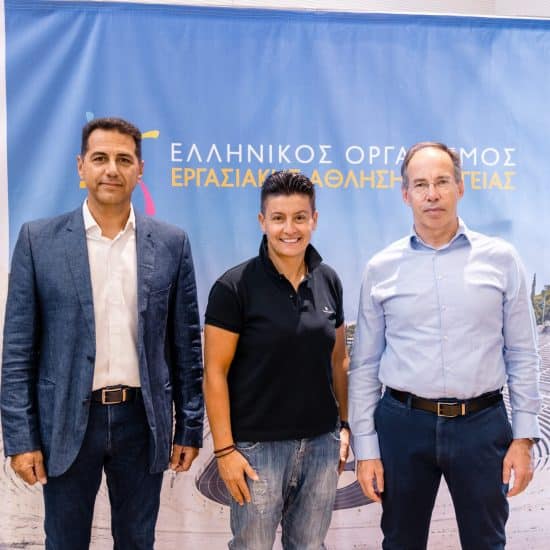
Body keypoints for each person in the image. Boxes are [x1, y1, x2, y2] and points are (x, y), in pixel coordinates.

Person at [1, 117, 204, 549]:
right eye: (100, 158)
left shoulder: (171, 243)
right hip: (66, 421)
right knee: (64, 542)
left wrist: (189, 428)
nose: (112, 169)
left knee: (137, 541)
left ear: (140, 169)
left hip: (142, 421)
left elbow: (186, 345)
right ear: (81, 166)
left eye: (124, 159)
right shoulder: (39, 241)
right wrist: (20, 439)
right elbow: (17, 351)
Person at [349, 142, 541, 549]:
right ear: (406, 194)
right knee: (400, 543)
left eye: (441, 182)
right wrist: (366, 450)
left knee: (487, 543)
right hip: (403, 425)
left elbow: (523, 354)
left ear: (460, 187)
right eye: (420, 184)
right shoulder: (381, 269)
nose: (432, 194)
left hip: (481, 425)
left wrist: (524, 438)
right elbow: (364, 365)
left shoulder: (502, 260)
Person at [203, 170, 349, 549]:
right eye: (278, 218)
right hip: (256, 451)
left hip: (321, 446)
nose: (289, 229)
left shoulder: (329, 281)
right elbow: (215, 373)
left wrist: (344, 427)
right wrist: (224, 451)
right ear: (262, 221)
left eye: (300, 217)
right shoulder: (233, 287)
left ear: (314, 219)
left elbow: (339, 361)